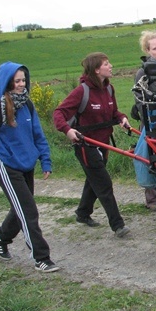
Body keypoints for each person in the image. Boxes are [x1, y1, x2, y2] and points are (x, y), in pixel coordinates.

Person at [0, 61, 59, 273]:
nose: (22, 84)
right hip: (6, 164)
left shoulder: (27, 105)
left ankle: (0, 237)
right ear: (7, 82)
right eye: (17, 81)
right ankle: (41, 258)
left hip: (26, 163)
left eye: (23, 80)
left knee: (19, 209)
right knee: (28, 210)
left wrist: (45, 160)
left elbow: (38, 135)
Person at [53, 52, 131, 238]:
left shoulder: (109, 89)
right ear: (97, 70)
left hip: (102, 143)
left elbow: (114, 112)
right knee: (103, 183)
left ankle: (83, 213)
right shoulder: (82, 91)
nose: (110, 66)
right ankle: (118, 225)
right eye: (106, 63)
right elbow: (59, 113)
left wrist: (122, 118)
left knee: (93, 179)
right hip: (85, 144)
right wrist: (67, 130)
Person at [133, 30, 156, 210]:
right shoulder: (142, 73)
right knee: (151, 156)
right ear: (148, 50)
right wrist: (150, 118)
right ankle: (152, 199)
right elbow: (139, 100)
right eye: (155, 48)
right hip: (151, 121)